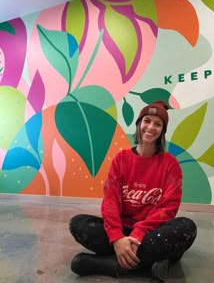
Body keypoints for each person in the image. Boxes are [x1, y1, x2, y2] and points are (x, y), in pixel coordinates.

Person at [69, 100, 197, 281]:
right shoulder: (121, 159)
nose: (151, 127)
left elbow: (168, 208)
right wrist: (116, 238)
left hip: (151, 232)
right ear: (139, 124)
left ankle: (110, 264)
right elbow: (110, 201)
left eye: (158, 124)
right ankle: (153, 261)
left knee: (186, 227)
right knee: (78, 223)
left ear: (162, 131)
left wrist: (139, 233)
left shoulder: (170, 164)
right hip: (123, 230)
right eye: (147, 121)